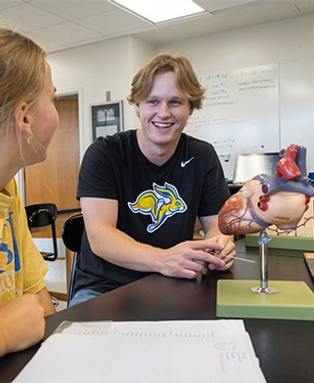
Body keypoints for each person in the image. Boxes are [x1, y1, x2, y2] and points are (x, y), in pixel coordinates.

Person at [70, 53, 236, 306]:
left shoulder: (202, 156)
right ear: (137, 106)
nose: (164, 113)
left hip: (174, 283)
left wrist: (220, 246)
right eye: (153, 101)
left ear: (191, 107)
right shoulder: (104, 153)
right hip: (103, 289)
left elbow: (218, 226)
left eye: (176, 102)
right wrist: (163, 259)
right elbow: (100, 237)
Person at [0, 27, 59, 357]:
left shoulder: (7, 189)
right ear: (25, 117)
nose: (55, 112)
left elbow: (37, 302)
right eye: (51, 98)